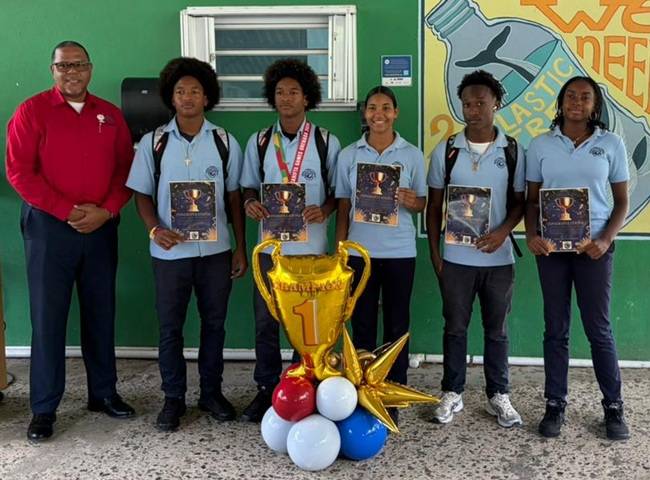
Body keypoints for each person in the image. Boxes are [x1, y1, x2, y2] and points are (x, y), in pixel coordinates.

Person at [6, 41, 135, 442]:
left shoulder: (110, 116)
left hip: (100, 227)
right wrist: (67, 211)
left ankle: (103, 393)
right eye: (64, 66)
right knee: (48, 318)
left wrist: (106, 211)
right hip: (49, 229)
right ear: (53, 70)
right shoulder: (31, 111)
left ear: (90, 69)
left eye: (79, 65)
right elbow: (19, 172)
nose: (72, 72)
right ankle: (44, 408)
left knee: (101, 312)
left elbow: (126, 171)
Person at [126, 57, 246, 432]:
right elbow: (141, 194)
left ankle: (211, 393)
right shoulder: (154, 143)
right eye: (181, 91)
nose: (188, 97)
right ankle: (173, 399)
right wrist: (153, 229)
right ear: (171, 98)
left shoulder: (224, 142)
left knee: (215, 325)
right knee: (170, 329)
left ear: (207, 98)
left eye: (195, 90)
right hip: (170, 254)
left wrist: (240, 247)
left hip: (216, 253)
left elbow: (234, 198)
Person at [525, 76, 630, 440]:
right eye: (570, 96)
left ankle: (613, 407)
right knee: (556, 329)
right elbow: (531, 200)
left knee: (599, 329)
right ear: (561, 101)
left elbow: (622, 202)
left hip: (594, 250)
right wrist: (532, 235)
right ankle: (555, 404)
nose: (577, 102)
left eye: (585, 97)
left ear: (594, 105)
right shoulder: (540, 144)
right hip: (552, 251)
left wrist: (605, 239)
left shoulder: (611, 144)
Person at [239, 59, 341, 422]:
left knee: (307, 327)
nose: (286, 98)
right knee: (266, 322)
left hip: (311, 252)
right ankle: (266, 389)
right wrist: (250, 203)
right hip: (271, 250)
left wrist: (324, 210)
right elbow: (248, 186)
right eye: (280, 92)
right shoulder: (260, 141)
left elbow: (338, 193)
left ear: (307, 97)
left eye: (293, 92)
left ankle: (305, 387)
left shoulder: (326, 141)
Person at [426, 70, 524, 428]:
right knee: (454, 327)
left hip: (499, 259)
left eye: (481, 102)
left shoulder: (512, 150)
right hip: (456, 259)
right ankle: (452, 392)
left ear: (495, 104)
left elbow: (520, 202)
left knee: (497, 329)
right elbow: (434, 206)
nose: (473, 109)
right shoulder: (447, 150)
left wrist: (502, 232)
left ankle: (499, 395)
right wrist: (436, 254)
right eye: (467, 103)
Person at [334, 86, 426, 424]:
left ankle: (392, 391)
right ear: (365, 113)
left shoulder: (412, 155)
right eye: (373, 107)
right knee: (362, 324)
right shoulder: (349, 155)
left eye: (386, 107)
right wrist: (340, 250)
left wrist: (412, 201)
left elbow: (423, 203)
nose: (379, 114)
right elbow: (343, 205)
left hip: (400, 251)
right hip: (360, 253)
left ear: (396, 113)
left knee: (397, 325)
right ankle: (361, 391)